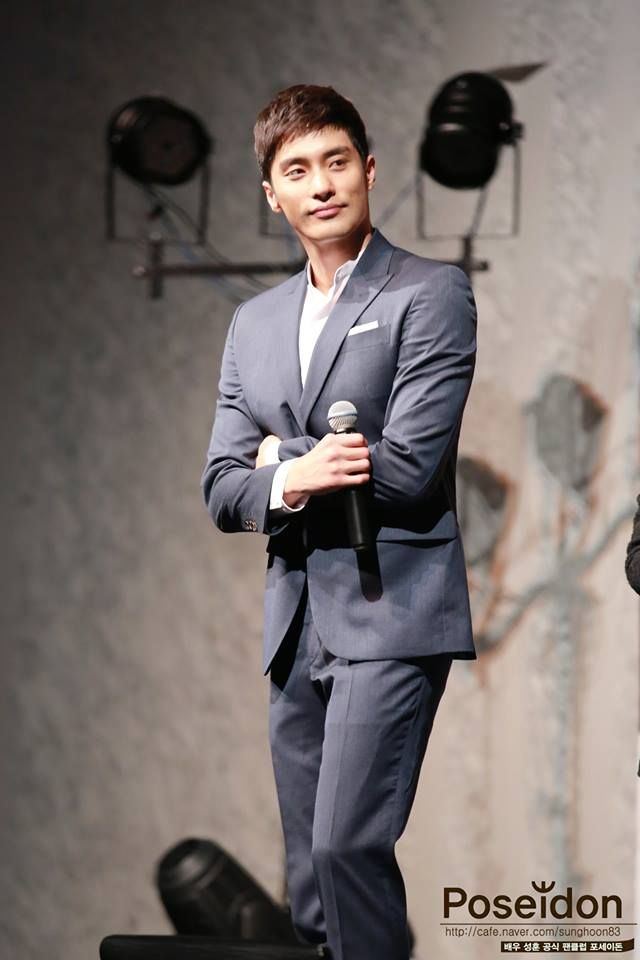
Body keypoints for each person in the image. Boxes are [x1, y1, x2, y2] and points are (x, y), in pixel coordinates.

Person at [201, 83, 477, 960]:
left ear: (368, 169)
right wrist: (300, 472)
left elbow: (407, 470)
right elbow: (221, 489)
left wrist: (278, 461)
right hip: (296, 625)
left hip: (392, 609)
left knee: (346, 850)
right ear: (271, 195)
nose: (320, 184)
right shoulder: (254, 323)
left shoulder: (428, 292)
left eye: (336, 162)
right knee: (310, 887)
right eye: (297, 171)